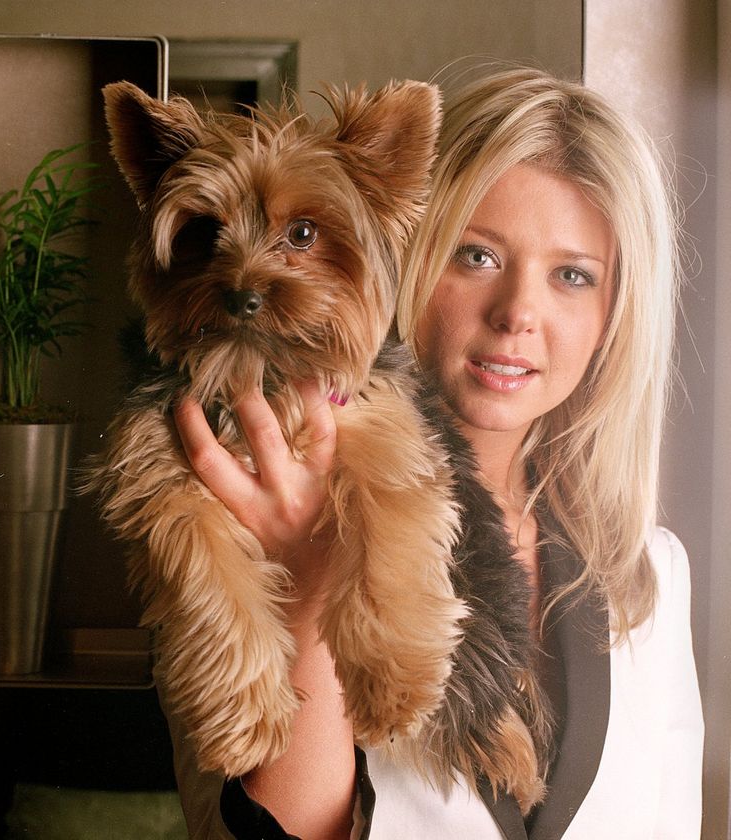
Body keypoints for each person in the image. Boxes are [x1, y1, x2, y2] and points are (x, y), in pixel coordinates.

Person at [163, 66, 704, 839]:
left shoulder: (651, 575)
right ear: (397, 256)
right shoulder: (234, 517)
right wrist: (314, 585)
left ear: (614, 317)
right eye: (476, 256)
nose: (518, 312)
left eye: (572, 276)